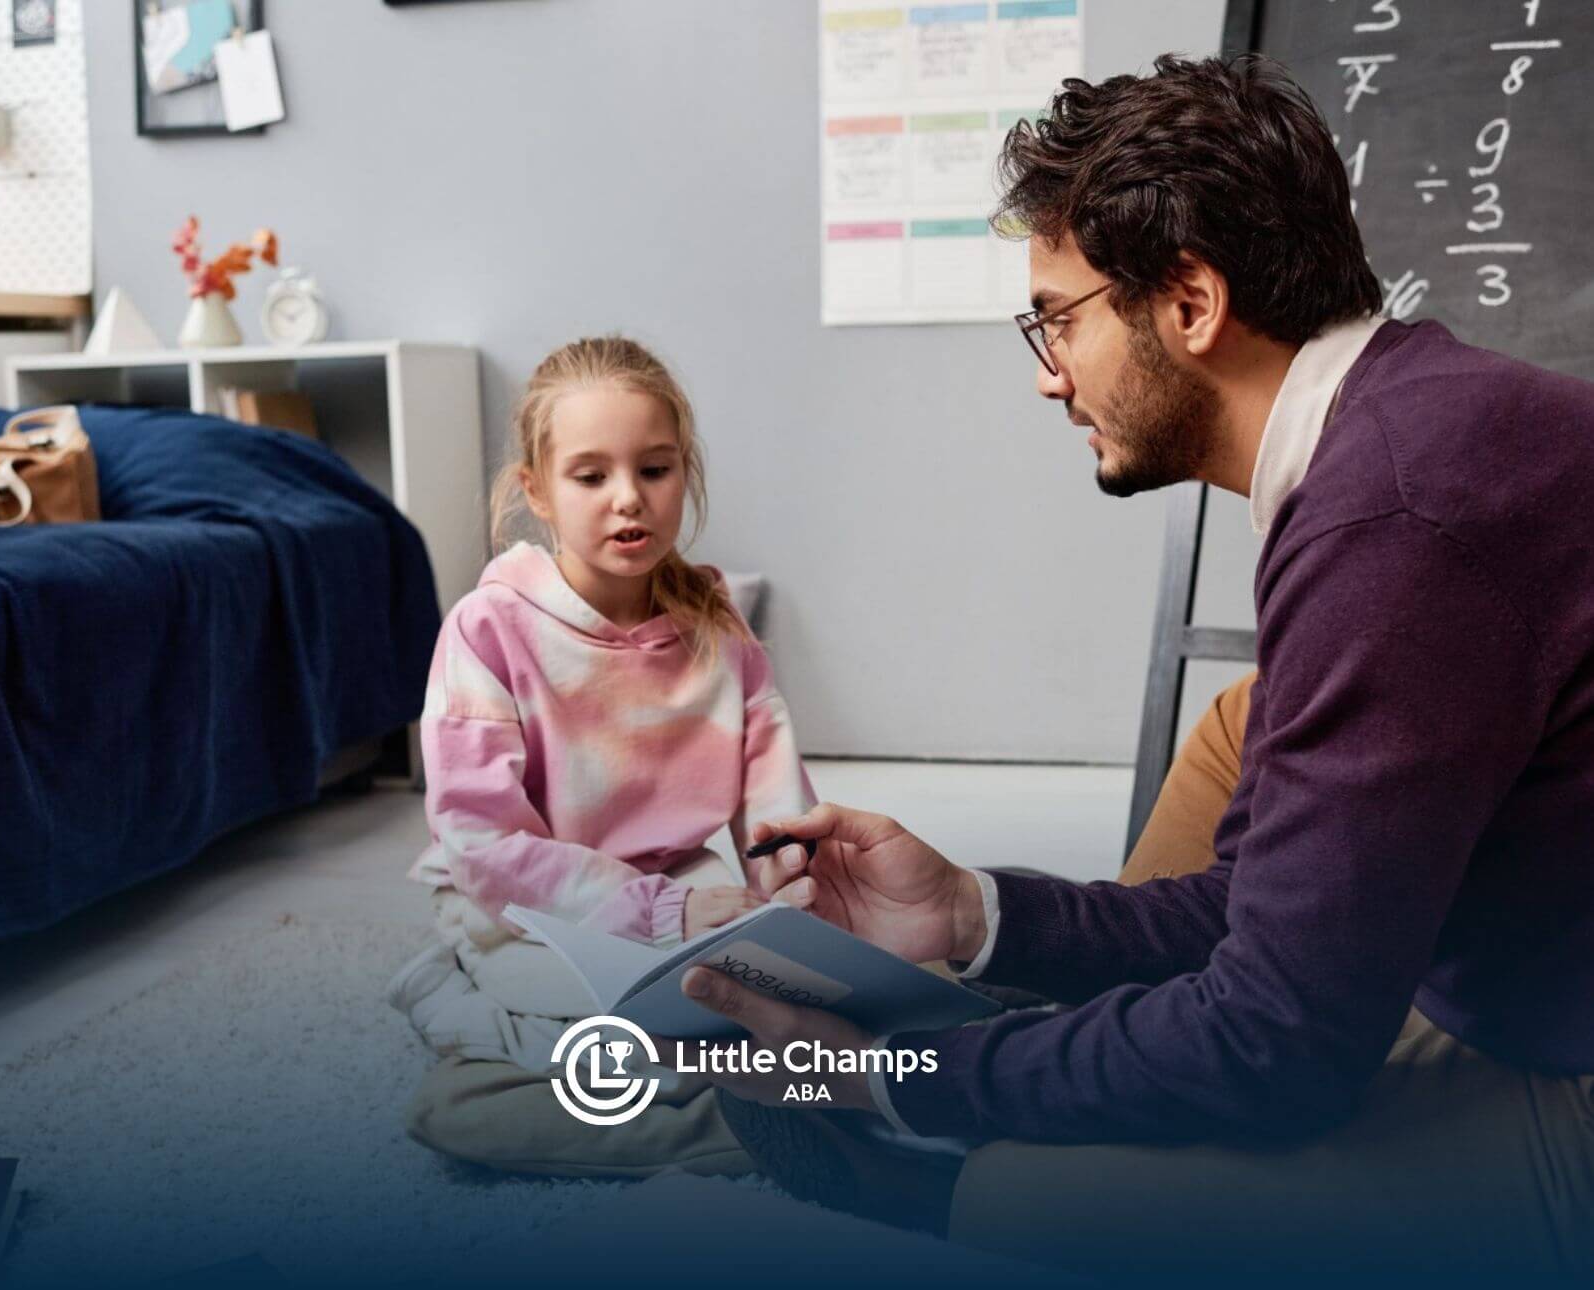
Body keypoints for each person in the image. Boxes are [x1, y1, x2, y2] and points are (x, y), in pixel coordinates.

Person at [681, 55, 1594, 1278]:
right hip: (1516, 971)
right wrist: (971, 913)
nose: (1047, 374)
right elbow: (1265, 910)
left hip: (1560, 1076)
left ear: (1190, 303)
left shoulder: (1394, 519)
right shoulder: (1404, 429)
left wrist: (898, 1078)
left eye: (1056, 317)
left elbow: (1275, 1047)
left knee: (1016, 1187)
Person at [386, 336, 814, 1174]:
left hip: (674, 894)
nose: (630, 501)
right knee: (674, 1039)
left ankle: (758, 1106)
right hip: (526, 912)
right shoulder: (488, 629)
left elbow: (777, 805)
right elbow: (482, 846)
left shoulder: (718, 628)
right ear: (536, 492)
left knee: (803, 1007)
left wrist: (796, 903)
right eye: (591, 477)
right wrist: (657, 916)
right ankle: (464, 1011)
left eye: (654, 470)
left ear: (683, 472)